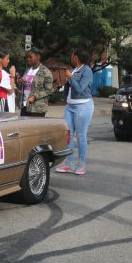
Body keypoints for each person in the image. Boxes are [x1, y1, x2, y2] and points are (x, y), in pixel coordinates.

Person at [56, 47, 94, 175]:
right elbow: (71, 88)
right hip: (70, 106)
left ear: (76, 57)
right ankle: (69, 163)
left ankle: (81, 164)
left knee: (81, 136)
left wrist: (70, 78)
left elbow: (81, 88)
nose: (71, 57)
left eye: (72, 55)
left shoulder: (87, 70)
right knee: (69, 135)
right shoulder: (75, 70)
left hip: (83, 106)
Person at [20, 47, 54, 117]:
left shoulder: (45, 72)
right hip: (25, 106)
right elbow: (26, 86)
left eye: (30, 57)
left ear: (37, 57)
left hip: (37, 108)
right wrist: (20, 82)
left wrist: (35, 97)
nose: (28, 59)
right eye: (27, 57)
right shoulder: (28, 70)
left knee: (35, 128)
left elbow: (49, 90)